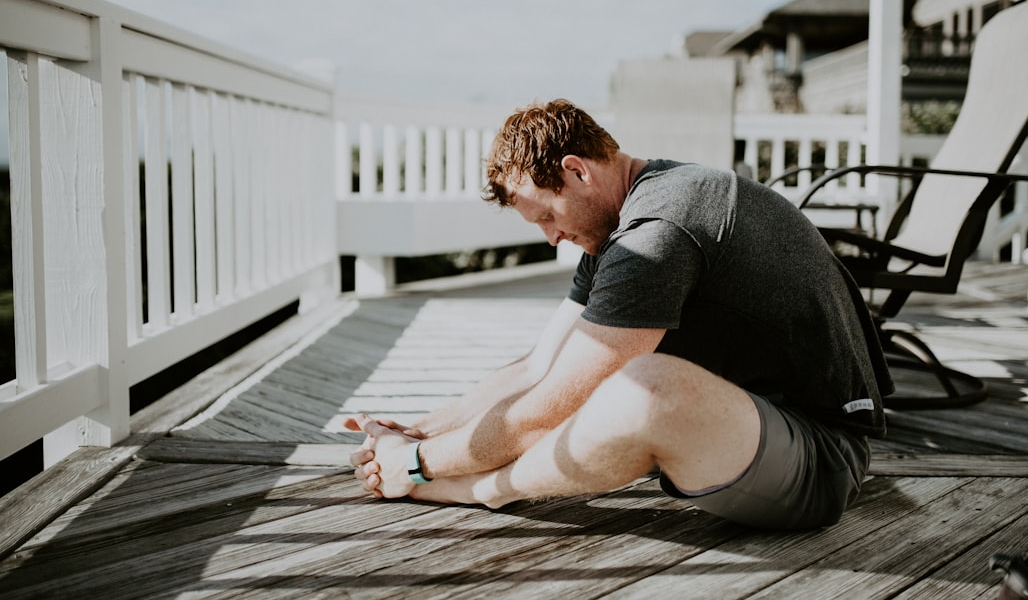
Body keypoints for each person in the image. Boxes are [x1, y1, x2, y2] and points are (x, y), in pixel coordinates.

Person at [347, 98, 893, 530]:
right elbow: (539, 368)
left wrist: (421, 466)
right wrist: (418, 432)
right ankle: (454, 475)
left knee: (642, 389)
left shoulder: (658, 232)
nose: (551, 237)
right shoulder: (620, 227)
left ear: (576, 171)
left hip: (819, 459)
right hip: (744, 430)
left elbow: (550, 407)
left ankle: (483, 491)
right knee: (594, 378)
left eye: (546, 215)